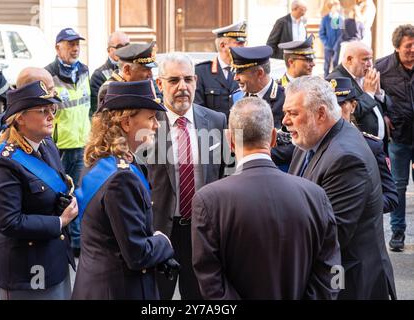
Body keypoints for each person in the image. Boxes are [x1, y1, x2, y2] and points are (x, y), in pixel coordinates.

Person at [191, 97, 341, 299]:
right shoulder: (315, 195)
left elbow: (210, 281)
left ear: (230, 141)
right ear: (272, 138)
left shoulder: (209, 200)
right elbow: (331, 272)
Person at [284, 76, 396, 300]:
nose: (285, 120)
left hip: (350, 284)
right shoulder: (309, 140)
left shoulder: (346, 158)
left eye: (293, 113)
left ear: (321, 114)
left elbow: (330, 235)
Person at [72, 80, 176, 300]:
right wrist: (163, 242)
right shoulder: (121, 178)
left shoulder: (102, 161)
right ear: (127, 122)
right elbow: (137, 254)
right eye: (150, 118)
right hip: (117, 288)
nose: (156, 125)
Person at [145, 52, 228, 300]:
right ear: (160, 84)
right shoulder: (147, 124)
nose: (183, 87)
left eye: (188, 79)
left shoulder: (216, 121)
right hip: (161, 233)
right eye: (173, 80)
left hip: (202, 232)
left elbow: (225, 176)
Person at [0, 80, 78, 299]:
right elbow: (9, 222)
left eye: (52, 109)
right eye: (43, 110)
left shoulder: (47, 144)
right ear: (20, 118)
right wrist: (60, 222)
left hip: (55, 258)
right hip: (25, 269)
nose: (51, 116)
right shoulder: (5, 162)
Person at [0, 67, 54, 300]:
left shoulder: (41, 124)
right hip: (20, 245)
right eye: (48, 90)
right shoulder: (5, 129)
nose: (51, 96)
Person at [45, 27, 91, 257]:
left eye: (77, 44)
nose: (75, 48)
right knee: (59, 194)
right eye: (70, 44)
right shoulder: (48, 74)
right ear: (57, 47)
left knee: (78, 193)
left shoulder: (84, 71)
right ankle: (58, 238)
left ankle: (77, 242)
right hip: (59, 146)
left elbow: (87, 108)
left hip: (81, 144)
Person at [329, 77, 398, 214]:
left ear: (353, 106)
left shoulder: (371, 146)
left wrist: (357, 206)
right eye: (331, 105)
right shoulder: (313, 144)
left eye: (341, 104)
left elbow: (390, 197)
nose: (335, 110)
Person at [375, 24, 414, 251]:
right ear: (397, 47)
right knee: (398, 185)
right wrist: (384, 116)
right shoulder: (382, 68)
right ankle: (398, 231)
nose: (412, 50)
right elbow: (368, 96)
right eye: (408, 46)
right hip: (398, 138)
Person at [327, 41, 389, 145]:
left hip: (378, 144)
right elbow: (349, 113)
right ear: (349, 59)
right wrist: (369, 93)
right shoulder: (336, 79)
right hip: (360, 144)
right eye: (365, 59)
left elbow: (388, 106)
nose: (369, 64)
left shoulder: (364, 74)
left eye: (371, 59)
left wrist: (378, 93)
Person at [194, 21, 247, 118]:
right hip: (212, 131)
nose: (243, 48)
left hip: (241, 131)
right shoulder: (201, 72)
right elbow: (198, 111)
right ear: (223, 45)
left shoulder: (248, 71)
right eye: (239, 44)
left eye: (244, 44)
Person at [229, 45, 285, 129]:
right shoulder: (236, 97)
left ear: (259, 73)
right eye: (235, 72)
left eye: (240, 73)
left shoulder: (285, 98)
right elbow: (236, 136)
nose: (235, 78)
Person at [97, 41, 157, 106]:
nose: (150, 74)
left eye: (150, 69)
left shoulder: (145, 83)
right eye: (145, 69)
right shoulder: (109, 90)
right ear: (127, 70)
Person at [90, 31, 130, 113]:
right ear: (109, 50)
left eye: (127, 46)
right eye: (119, 47)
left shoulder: (136, 68)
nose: (125, 49)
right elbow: (97, 110)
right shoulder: (98, 75)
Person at [319, 0, 343, 77]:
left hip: (337, 46)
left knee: (336, 64)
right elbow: (321, 33)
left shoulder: (340, 18)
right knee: (327, 64)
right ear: (331, 7)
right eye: (335, 6)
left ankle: (335, 79)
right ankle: (326, 79)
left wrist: (337, 44)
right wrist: (326, 43)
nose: (337, 8)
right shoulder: (325, 19)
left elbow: (342, 33)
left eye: (337, 6)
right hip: (328, 46)